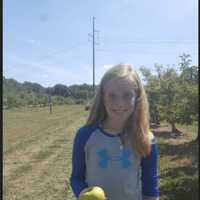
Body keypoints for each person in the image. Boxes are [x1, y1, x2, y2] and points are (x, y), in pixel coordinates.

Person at [70, 64, 159, 200]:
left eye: (127, 95)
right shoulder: (85, 135)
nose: (120, 104)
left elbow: (150, 184)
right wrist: (84, 195)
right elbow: (76, 178)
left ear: (138, 97)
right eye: (112, 96)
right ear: (102, 97)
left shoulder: (146, 138)